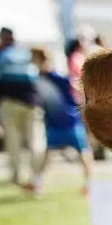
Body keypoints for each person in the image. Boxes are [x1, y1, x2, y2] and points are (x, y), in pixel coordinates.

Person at [0, 26, 42, 192]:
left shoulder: (0, 55)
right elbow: (36, 75)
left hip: (10, 102)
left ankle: (17, 177)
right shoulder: (26, 53)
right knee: (35, 140)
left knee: (14, 140)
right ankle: (35, 176)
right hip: (31, 101)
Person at [34, 48, 93, 193]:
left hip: (69, 120)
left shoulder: (54, 76)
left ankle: (90, 184)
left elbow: (74, 85)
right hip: (55, 122)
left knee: (83, 152)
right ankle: (37, 183)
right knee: (48, 153)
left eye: (34, 58)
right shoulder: (39, 77)